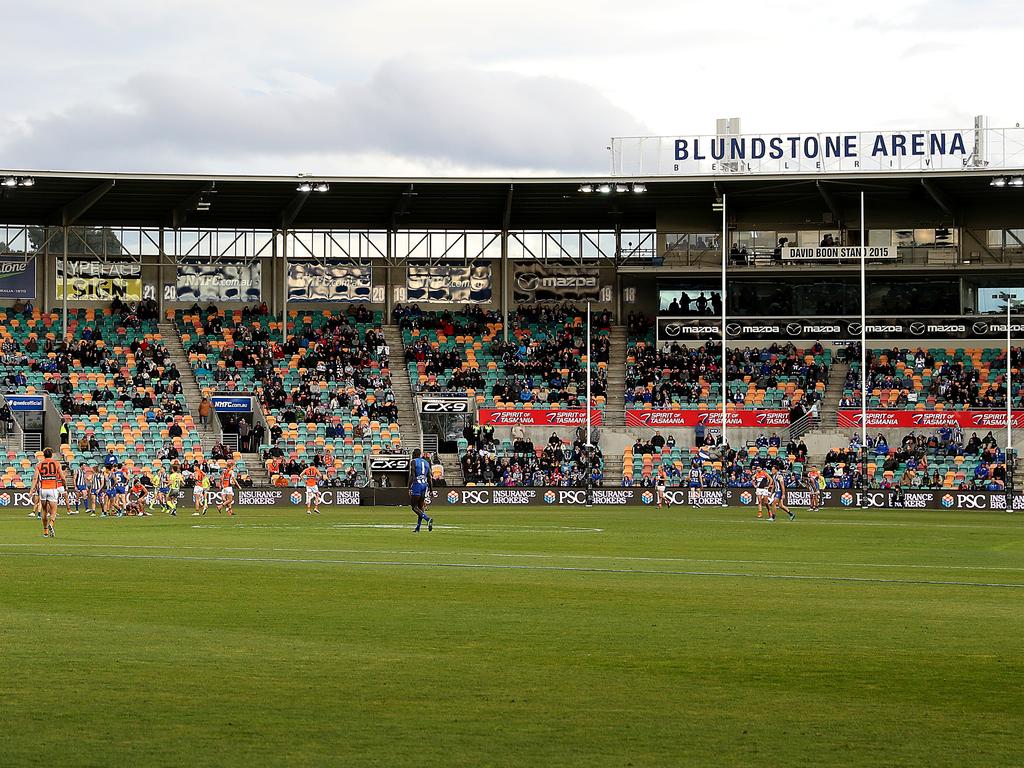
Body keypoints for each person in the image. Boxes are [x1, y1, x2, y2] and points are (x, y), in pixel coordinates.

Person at [33, 447, 65, 538]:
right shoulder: (57, 463)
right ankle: (51, 523)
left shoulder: (39, 464)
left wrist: (32, 489)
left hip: (43, 489)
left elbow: (35, 478)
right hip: (52, 489)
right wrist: (65, 486)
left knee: (44, 510)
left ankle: (45, 531)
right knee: (53, 511)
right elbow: (62, 477)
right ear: (51, 455)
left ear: (43, 455)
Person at [408, 448, 434, 533]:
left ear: (414, 454)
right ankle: (418, 527)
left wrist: (409, 487)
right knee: (420, 507)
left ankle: (427, 519)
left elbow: (412, 475)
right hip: (424, 485)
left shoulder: (413, 461)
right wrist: (431, 489)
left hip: (417, 485)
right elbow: (430, 477)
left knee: (414, 506)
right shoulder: (426, 462)